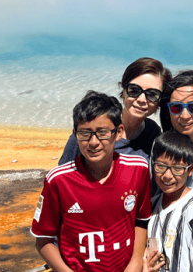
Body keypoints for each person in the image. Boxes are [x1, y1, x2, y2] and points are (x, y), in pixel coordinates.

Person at [31, 91, 152, 272]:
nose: (94, 142)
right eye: (85, 133)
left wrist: (135, 263)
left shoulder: (138, 169)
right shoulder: (58, 180)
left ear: (118, 132)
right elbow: (43, 240)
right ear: (75, 135)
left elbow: (141, 221)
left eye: (102, 132)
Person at [59, 57, 172, 165]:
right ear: (123, 90)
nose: (142, 99)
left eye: (152, 94)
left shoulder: (152, 133)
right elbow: (62, 177)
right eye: (134, 90)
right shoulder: (93, 127)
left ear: (160, 100)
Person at [143, 131, 193, 272]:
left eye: (177, 169)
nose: (168, 175)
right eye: (161, 166)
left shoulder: (192, 209)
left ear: (191, 169)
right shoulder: (153, 204)